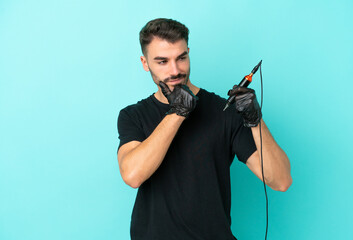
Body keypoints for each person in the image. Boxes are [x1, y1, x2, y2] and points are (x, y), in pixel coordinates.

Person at [117, 18, 292, 240]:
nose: (175, 70)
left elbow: (281, 180)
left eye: (181, 58)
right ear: (145, 63)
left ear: (189, 53)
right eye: (162, 61)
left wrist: (255, 120)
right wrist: (178, 113)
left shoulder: (224, 112)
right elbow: (133, 175)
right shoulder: (133, 115)